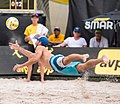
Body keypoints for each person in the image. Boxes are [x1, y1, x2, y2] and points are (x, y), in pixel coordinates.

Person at [9, 36, 109, 82]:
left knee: (66, 60)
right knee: (83, 67)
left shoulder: (40, 48)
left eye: (37, 41)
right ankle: (101, 59)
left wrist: (20, 66)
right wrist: (19, 48)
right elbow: (31, 55)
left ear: (39, 42)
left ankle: (81, 56)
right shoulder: (40, 50)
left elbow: (34, 59)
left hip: (53, 62)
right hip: (58, 68)